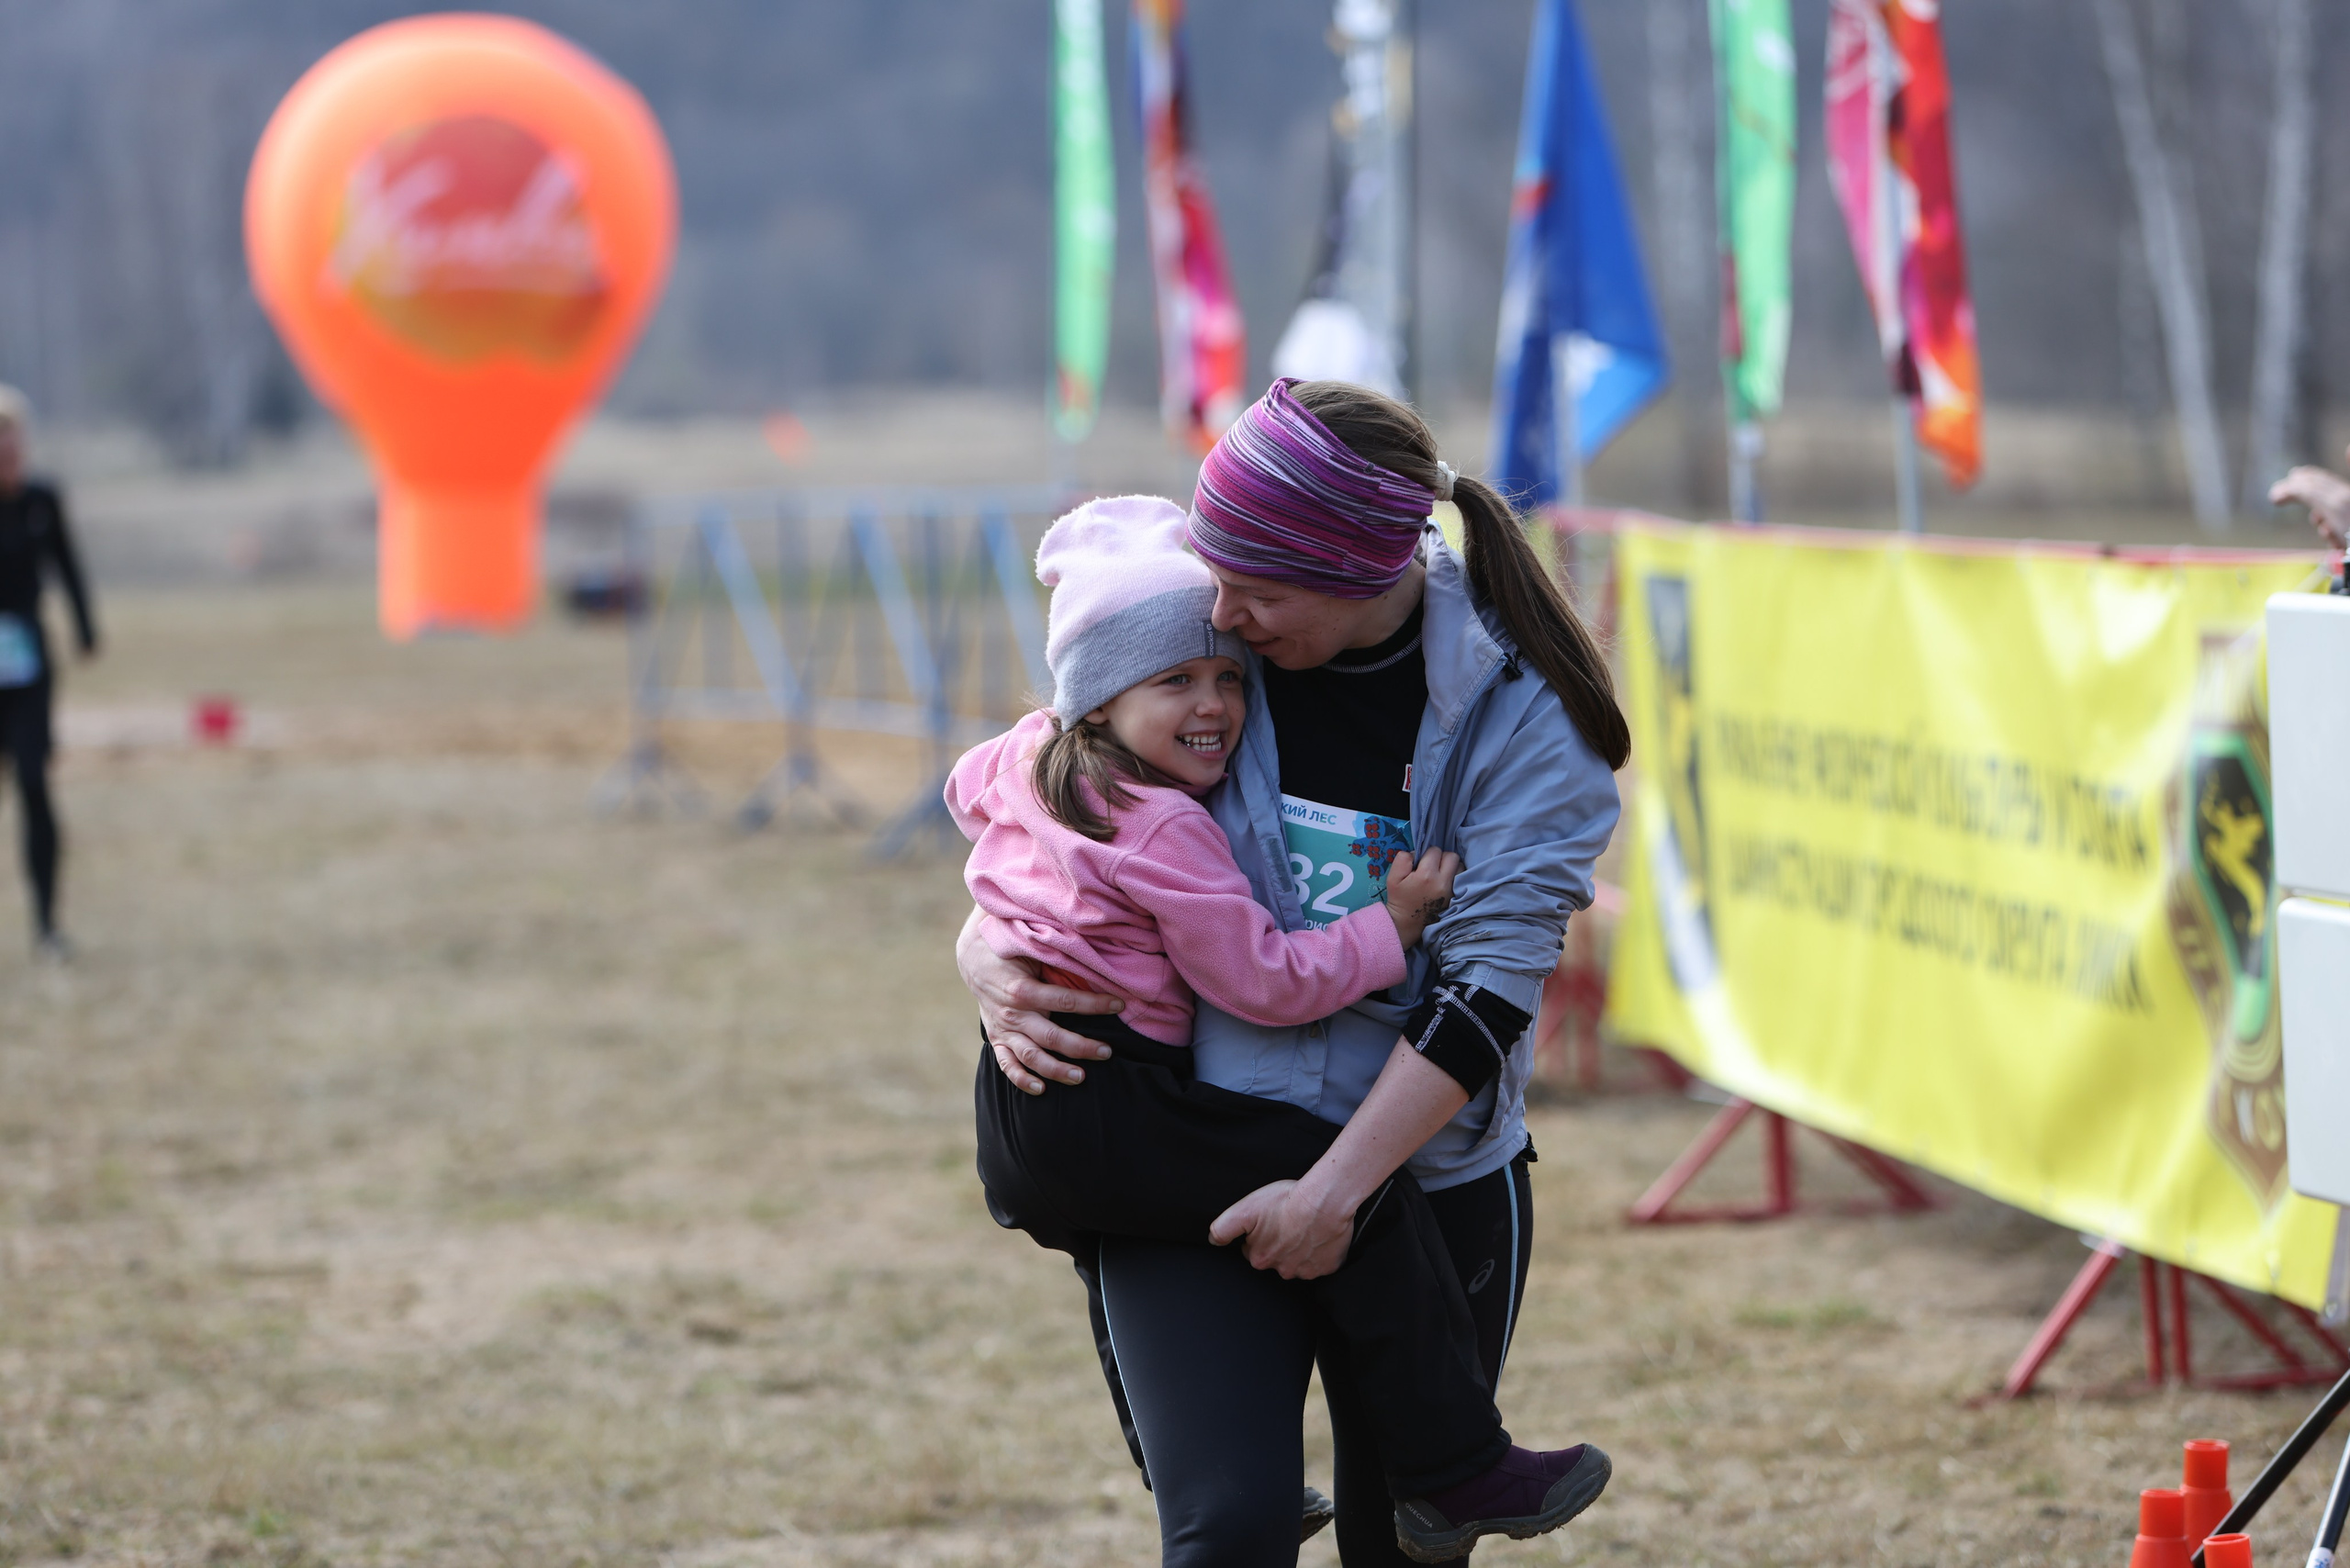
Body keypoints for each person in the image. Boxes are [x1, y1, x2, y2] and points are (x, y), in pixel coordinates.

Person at [957, 378, 1627, 1566]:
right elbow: (1062, 804)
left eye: (1252, 595)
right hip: (1209, 1150)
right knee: (1228, 1537)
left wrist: (1338, 1195)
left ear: (1360, 577)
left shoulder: (1529, 719)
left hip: (1428, 1180)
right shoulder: (1215, 653)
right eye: (1213, 578)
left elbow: (1489, 990)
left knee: (1403, 1549)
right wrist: (987, 955)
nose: (1219, 617)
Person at [0, 386, 97, 958]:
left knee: (34, 782)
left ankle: (46, 925)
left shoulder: (42, 498)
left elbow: (68, 563)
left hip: (29, 661)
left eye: (13, 440)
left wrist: (85, 627)